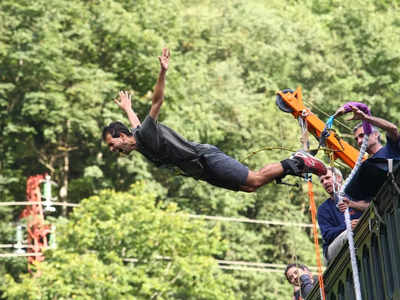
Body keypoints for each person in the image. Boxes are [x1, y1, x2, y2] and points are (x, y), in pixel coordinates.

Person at [102, 48, 327, 192]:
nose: (114, 150)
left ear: (122, 137)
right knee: (250, 188)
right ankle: (294, 165)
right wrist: (128, 108)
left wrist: (162, 72)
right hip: (202, 172)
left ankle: (298, 162)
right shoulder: (139, 140)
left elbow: (157, 103)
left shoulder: (144, 135)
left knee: (255, 180)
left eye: (113, 145)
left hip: (206, 158)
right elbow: (135, 125)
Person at [339, 104, 400, 200]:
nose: (359, 141)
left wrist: (365, 118)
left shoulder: (392, 148)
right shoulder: (365, 168)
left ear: (375, 134)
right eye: (356, 139)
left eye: (362, 135)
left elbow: (393, 129)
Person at [317, 167, 368, 264]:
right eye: (322, 181)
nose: (324, 182)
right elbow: (327, 235)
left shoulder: (356, 195)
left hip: (359, 234)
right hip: (332, 249)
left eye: (327, 178)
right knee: (350, 233)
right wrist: (348, 226)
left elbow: (371, 205)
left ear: (339, 178)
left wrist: (353, 204)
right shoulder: (323, 209)